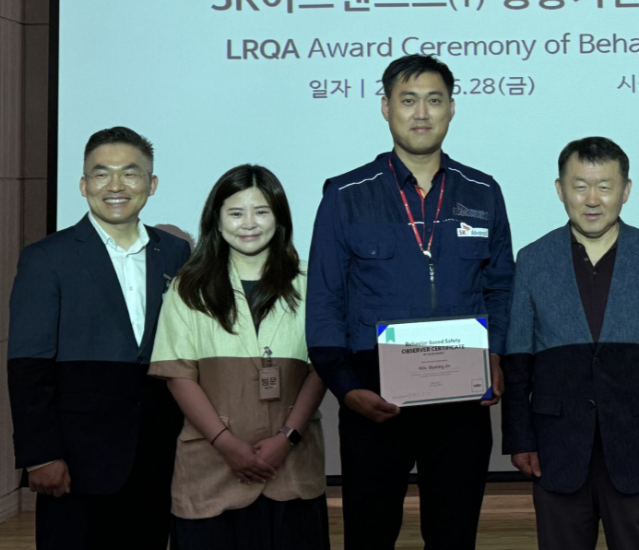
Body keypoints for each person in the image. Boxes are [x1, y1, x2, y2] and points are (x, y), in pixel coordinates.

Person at [306, 54, 515, 550]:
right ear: (386, 108)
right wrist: (346, 389)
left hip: (462, 390)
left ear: (452, 108)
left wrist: (496, 354)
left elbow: (502, 286)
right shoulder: (346, 194)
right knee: (370, 535)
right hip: (374, 394)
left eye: (434, 100)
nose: (421, 113)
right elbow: (324, 299)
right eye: (408, 100)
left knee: (454, 534)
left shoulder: (483, 192)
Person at [503, 137, 639, 550]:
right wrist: (520, 438)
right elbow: (517, 359)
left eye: (605, 187)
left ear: (626, 190)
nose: (592, 199)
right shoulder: (533, 259)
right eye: (580, 186)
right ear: (560, 189)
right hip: (556, 449)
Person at [7, 127, 190, 550]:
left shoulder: (175, 253)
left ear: (151, 184)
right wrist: (41, 454)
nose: (116, 186)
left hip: (158, 455)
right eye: (102, 173)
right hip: (76, 463)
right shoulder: (46, 257)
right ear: (83, 184)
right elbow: (27, 366)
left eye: (130, 173)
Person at [150, 165, 329, 549]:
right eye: (235, 213)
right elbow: (178, 376)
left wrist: (287, 438)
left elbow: (322, 369)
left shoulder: (312, 282)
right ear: (216, 219)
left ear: (279, 218)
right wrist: (227, 444)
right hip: (211, 471)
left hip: (292, 469)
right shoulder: (188, 288)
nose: (249, 223)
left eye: (261, 211)